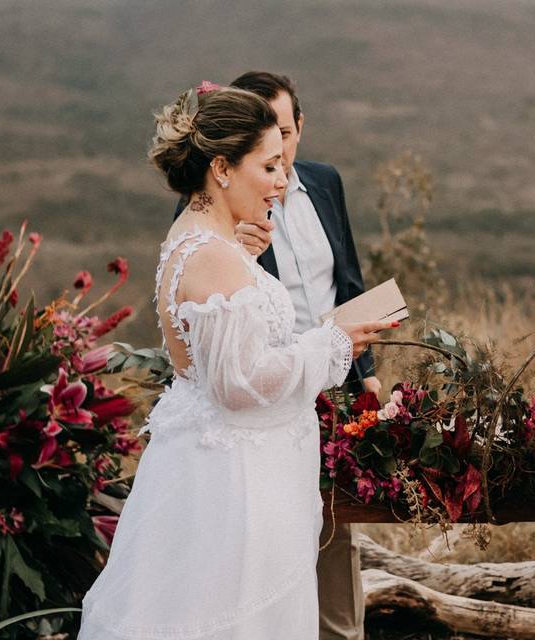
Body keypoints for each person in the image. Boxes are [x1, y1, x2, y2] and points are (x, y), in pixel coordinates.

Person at [79, 84, 396, 639]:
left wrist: (245, 261)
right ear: (222, 167)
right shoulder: (210, 255)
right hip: (234, 488)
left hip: (230, 469)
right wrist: (332, 341)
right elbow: (238, 384)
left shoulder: (209, 241)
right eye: (269, 166)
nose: (281, 180)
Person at [174, 71, 373, 640]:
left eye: (284, 135)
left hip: (331, 387)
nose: (279, 160)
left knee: (334, 534)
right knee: (256, 570)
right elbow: (217, 359)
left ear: (298, 128)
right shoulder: (210, 226)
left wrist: (366, 372)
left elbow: (347, 278)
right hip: (263, 408)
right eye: (265, 151)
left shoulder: (325, 183)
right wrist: (238, 252)